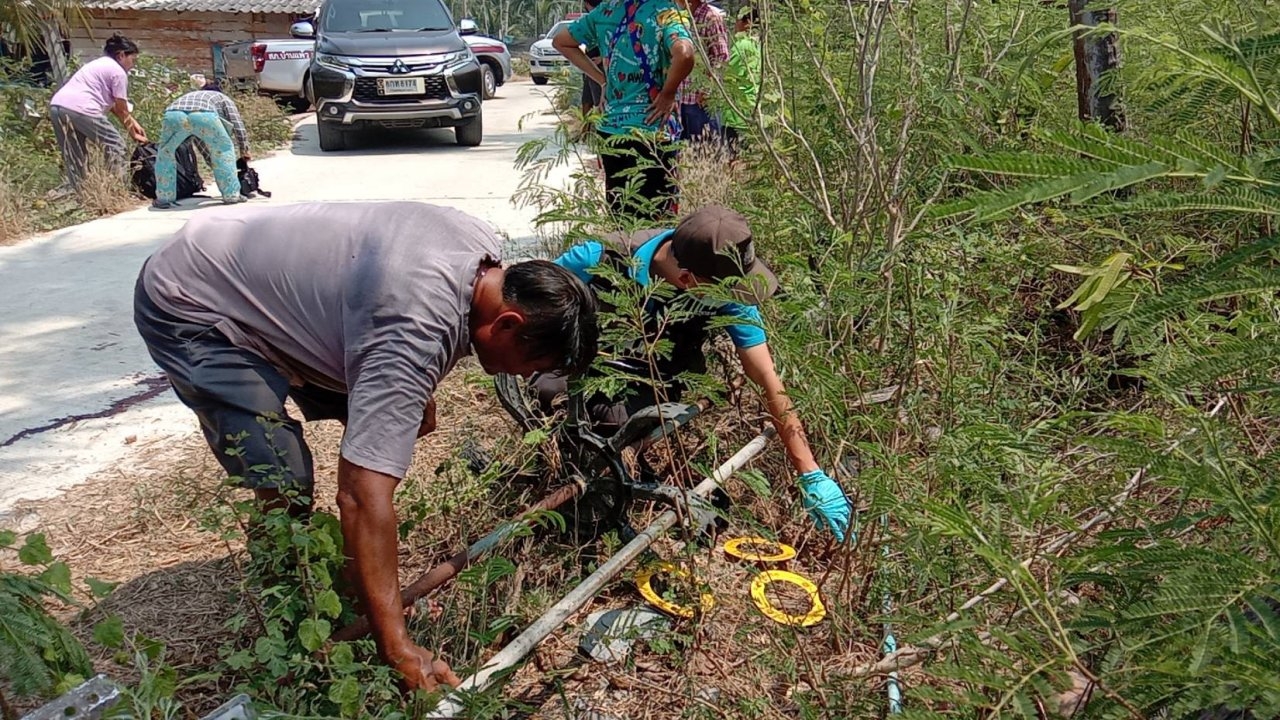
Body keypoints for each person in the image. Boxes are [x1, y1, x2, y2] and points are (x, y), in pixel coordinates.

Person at [133, 202, 599, 691]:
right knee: (284, 478)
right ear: (505, 324)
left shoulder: (481, 250)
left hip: (266, 278)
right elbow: (360, 495)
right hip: (193, 299)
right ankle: (287, 604)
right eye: (533, 362)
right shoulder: (410, 331)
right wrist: (397, 648)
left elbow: (392, 312)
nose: (527, 377)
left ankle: (348, 584)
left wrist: (412, 393)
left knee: (389, 422)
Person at [538, 205, 853, 541]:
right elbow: (527, 307)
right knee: (556, 396)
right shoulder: (597, 261)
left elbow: (765, 376)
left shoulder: (726, 284)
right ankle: (568, 479)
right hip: (574, 367)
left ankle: (620, 470)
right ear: (687, 280)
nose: (739, 297)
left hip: (652, 379)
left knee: (626, 420)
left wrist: (810, 471)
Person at [554, 0, 695, 220]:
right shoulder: (666, 12)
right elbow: (685, 54)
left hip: (612, 131)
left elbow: (561, 42)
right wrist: (667, 94)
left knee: (621, 214)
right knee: (657, 218)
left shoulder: (606, 11)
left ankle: (623, 253)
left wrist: (603, 81)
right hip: (653, 129)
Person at [48, 33, 148, 193]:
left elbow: (117, 107)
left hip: (57, 106)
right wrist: (134, 134)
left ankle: (81, 193)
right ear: (121, 55)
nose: (133, 64)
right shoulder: (118, 72)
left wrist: (134, 124)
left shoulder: (98, 64)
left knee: (75, 154)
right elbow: (122, 109)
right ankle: (118, 190)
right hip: (83, 108)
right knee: (116, 145)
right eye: (132, 59)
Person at [152, 79, 250, 208]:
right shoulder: (223, 98)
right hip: (205, 115)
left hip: (173, 114)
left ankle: (164, 198)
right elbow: (238, 125)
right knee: (224, 149)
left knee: (165, 153)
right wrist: (245, 149)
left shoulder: (192, 96)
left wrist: (210, 160)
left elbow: (200, 139)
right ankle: (231, 194)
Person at [674, 0, 729, 143]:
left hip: (700, 100)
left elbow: (721, 57)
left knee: (705, 150)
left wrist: (708, 89)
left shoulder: (710, 17)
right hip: (679, 99)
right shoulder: (676, 17)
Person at [722, 6, 761, 153]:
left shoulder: (741, 45)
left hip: (736, 112)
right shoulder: (758, 44)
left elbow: (728, 75)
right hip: (752, 108)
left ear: (747, 22)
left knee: (732, 158)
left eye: (738, 20)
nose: (736, 24)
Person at [579, 0, 605, 119]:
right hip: (589, 65)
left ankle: (598, 130)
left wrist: (603, 58)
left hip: (600, 66)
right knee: (586, 101)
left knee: (598, 101)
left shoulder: (605, 18)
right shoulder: (589, 20)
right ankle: (585, 132)